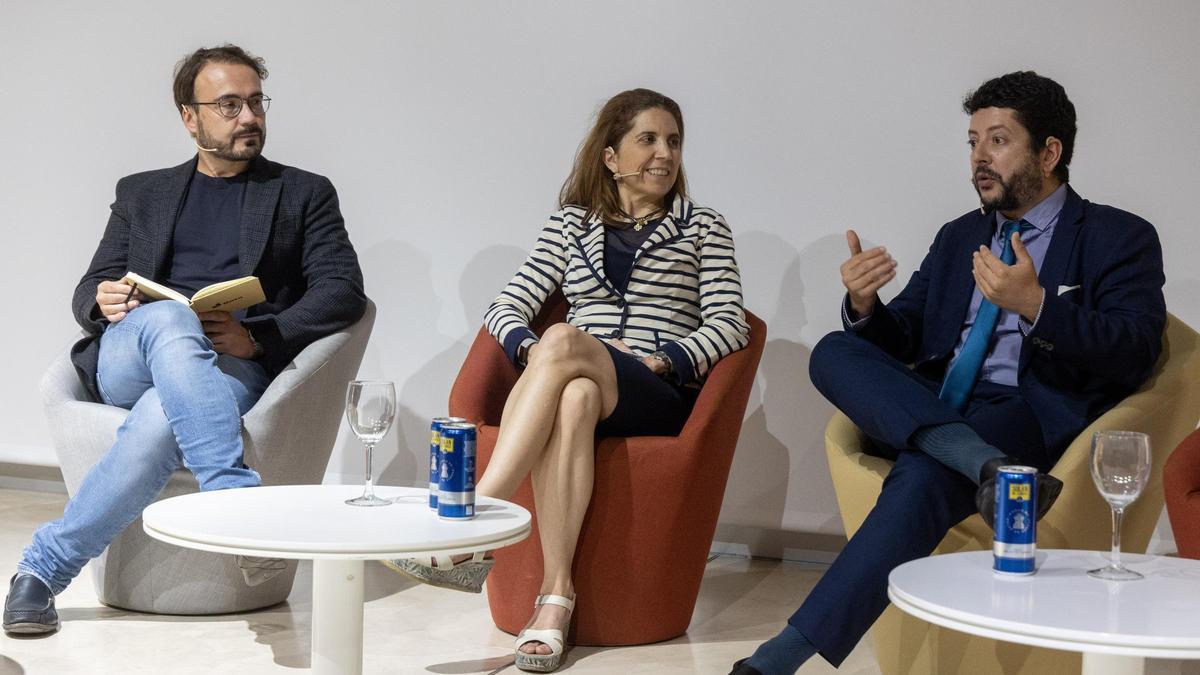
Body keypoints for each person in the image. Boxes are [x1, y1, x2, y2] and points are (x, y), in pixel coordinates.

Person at [731, 71, 1166, 674]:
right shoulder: (961, 233)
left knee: (920, 477)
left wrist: (1038, 307)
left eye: (997, 141)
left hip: (1024, 415)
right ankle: (985, 466)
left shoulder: (1120, 237)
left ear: (1049, 152)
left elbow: (1136, 348)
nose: (978, 159)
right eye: (971, 142)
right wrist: (865, 306)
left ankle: (779, 658)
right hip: (938, 403)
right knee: (835, 348)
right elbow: (905, 334)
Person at [2, 44, 366, 636]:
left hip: (227, 360)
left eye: (255, 102)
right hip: (132, 356)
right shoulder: (142, 192)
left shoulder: (303, 193)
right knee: (171, 321)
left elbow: (344, 290)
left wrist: (259, 337)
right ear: (189, 117)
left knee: (159, 420)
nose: (249, 117)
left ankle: (39, 574)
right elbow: (90, 285)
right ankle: (237, 506)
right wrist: (102, 297)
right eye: (229, 105)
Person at [387, 88, 750, 672]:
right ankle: (556, 600)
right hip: (591, 380)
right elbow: (506, 308)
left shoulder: (703, 226)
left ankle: (476, 514)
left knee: (566, 346)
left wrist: (661, 360)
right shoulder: (571, 224)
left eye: (674, 142)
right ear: (610, 156)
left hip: (656, 392)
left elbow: (731, 323)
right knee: (574, 390)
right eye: (648, 139)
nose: (664, 154)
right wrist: (538, 350)